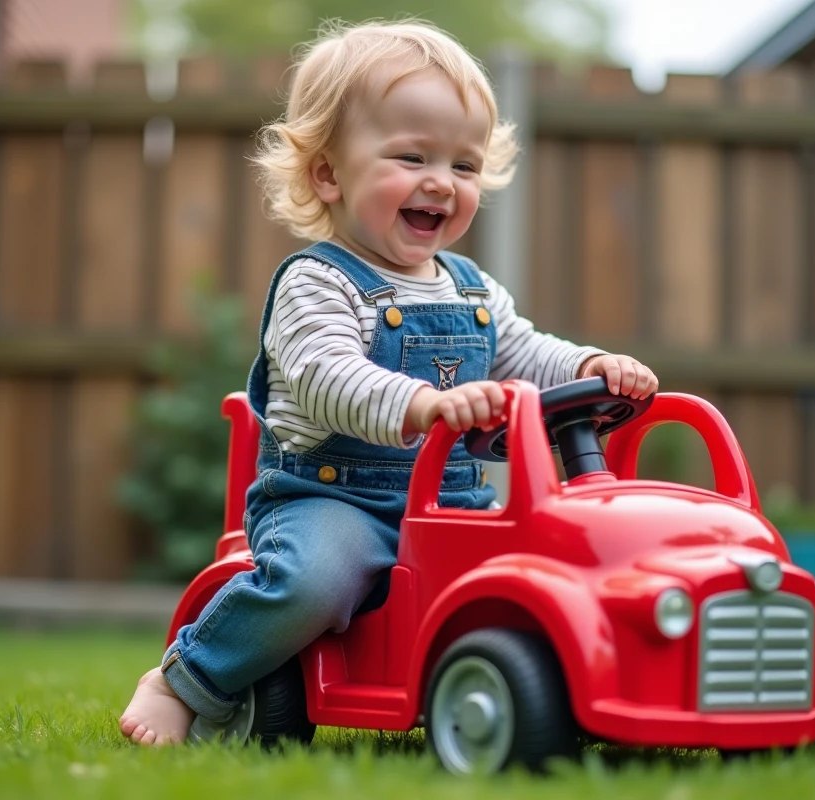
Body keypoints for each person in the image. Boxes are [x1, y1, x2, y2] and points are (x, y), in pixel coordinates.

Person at [119, 19, 658, 747]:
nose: (441, 182)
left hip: (453, 503)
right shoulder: (317, 283)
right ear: (328, 174)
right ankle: (189, 680)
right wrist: (422, 402)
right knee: (317, 581)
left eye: (464, 167)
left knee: (559, 561)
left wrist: (588, 366)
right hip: (333, 499)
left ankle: (575, 691)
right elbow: (323, 377)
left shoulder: (470, 288)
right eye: (411, 156)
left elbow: (523, 351)